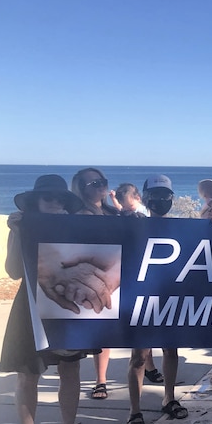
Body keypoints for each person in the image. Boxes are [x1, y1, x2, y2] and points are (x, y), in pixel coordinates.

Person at [0, 175, 96, 424]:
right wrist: (17, 233)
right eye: (48, 199)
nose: (55, 204)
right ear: (36, 203)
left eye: (60, 200)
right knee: (28, 372)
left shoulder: (78, 227)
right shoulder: (22, 226)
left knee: (70, 369)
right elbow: (13, 271)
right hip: (30, 303)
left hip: (66, 306)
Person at [126, 175, 188, 424]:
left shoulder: (181, 228)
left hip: (170, 296)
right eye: (156, 196)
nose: (161, 201)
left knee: (170, 350)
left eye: (166, 197)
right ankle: (134, 411)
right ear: (145, 197)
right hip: (141, 298)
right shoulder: (133, 225)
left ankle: (169, 398)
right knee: (139, 357)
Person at [71, 167, 119, 400]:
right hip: (88, 278)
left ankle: (101, 380)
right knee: (85, 334)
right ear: (80, 189)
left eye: (103, 181)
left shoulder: (114, 215)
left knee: (104, 332)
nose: (101, 186)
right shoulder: (77, 215)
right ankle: (83, 381)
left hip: (113, 278)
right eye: (93, 183)